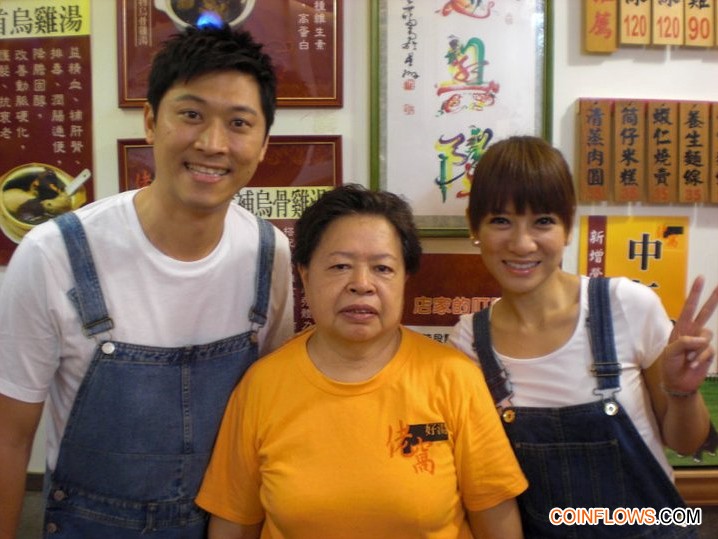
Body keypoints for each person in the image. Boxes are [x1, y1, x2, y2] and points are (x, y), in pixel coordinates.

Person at [0, 24, 294, 538]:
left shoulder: (270, 254)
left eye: (239, 123)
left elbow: (267, 416)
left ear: (264, 142)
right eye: (191, 115)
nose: (212, 144)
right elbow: (8, 437)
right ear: (151, 122)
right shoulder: (52, 255)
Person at [195, 184, 528, 538]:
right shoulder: (262, 386)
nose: (361, 284)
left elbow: (497, 522)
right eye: (340, 266)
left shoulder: (455, 379)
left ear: (405, 279)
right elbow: (233, 523)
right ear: (305, 274)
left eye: (382, 268)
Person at [448, 135, 718, 538]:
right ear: (475, 228)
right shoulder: (469, 341)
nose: (522, 244)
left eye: (543, 221)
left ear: (568, 227)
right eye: (500, 220)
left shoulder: (626, 304)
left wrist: (682, 392)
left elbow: (686, 443)